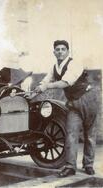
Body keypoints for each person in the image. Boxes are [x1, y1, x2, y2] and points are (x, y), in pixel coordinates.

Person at [35, 40, 99, 177]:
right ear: (54, 52)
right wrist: (39, 87)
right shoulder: (55, 67)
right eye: (57, 49)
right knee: (70, 134)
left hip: (89, 99)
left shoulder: (74, 64)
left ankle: (88, 164)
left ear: (68, 51)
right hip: (73, 103)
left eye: (63, 49)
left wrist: (46, 86)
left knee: (90, 136)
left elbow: (66, 82)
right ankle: (70, 166)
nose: (60, 52)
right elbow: (47, 79)